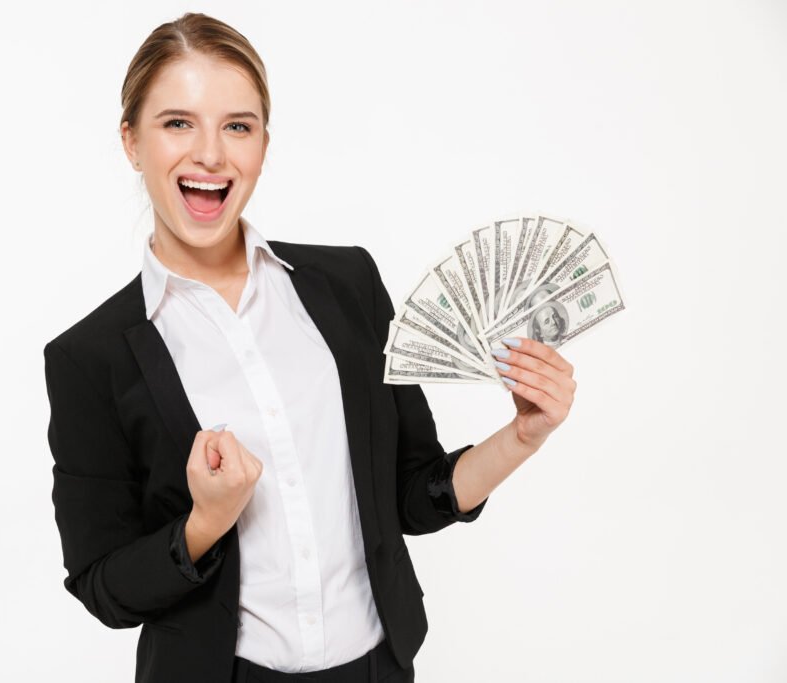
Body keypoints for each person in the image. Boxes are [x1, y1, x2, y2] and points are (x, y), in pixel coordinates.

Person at [42, 12, 577, 683]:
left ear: (263, 144)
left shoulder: (347, 284)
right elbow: (103, 587)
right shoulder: (88, 357)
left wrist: (522, 436)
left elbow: (411, 492)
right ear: (131, 141)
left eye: (237, 125)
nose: (210, 153)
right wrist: (205, 521)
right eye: (178, 122)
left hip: (376, 666)